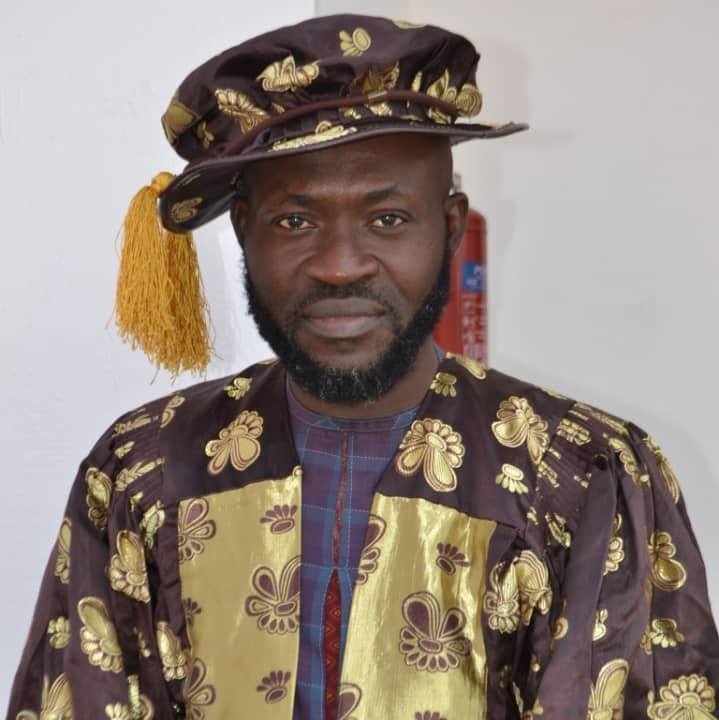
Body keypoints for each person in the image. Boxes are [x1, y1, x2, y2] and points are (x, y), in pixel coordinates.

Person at [8, 13, 719, 720]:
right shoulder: (145, 469)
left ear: (449, 226)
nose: (340, 266)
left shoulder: (582, 473)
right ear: (244, 233)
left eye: (387, 219)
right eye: (295, 221)